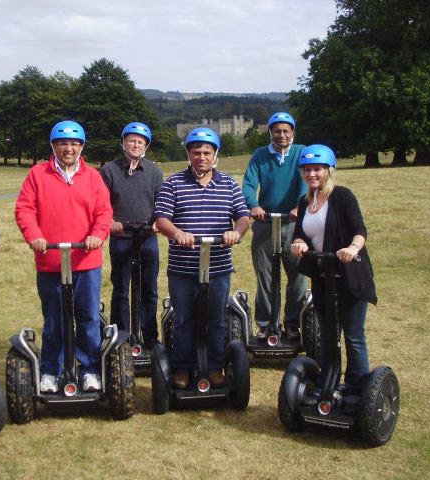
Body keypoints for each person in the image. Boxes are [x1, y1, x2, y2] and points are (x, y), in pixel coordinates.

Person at [15, 120, 112, 393]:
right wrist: (34, 235)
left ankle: (91, 369)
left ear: (81, 147)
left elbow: (104, 212)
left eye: (74, 143)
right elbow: (24, 209)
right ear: (53, 146)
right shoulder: (37, 174)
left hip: (86, 260)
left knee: (88, 317)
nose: (68, 148)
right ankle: (50, 371)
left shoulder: (92, 177)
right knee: (55, 319)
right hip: (51, 261)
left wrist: (97, 235)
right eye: (62, 143)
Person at [154, 127, 250, 389]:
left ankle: (214, 367)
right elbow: (161, 219)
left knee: (215, 319)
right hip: (183, 268)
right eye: (196, 152)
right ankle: (182, 369)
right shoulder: (173, 183)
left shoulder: (229, 184)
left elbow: (243, 216)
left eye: (207, 152)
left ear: (215, 154)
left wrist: (236, 232)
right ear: (188, 153)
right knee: (184, 319)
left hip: (218, 266)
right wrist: (177, 232)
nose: (202, 157)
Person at [290, 144, 377, 392]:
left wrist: (353, 248)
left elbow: (360, 230)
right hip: (323, 278)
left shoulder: (342, 196)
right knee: (327, 334)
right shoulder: (305, 202)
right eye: (307, 170)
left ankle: (357, 388)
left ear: (329, 170)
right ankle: (328, 381)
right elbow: (300, 235)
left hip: (350, 277)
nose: (312, 174)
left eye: (317, 169)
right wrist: (298, 244)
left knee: (353, 335)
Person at [242, 111, 308, 340]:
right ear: (270, 132)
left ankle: (292, 324)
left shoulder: (301, 153)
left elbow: (306, 181)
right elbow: (249, 184)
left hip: (294, 223)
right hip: (266, 221)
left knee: (298, 276)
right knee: (265, 277)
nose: (281, 135)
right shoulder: (260, 155)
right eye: (277, 131)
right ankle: (266, 324)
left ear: (292, 133)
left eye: (286, 131)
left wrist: (300, 206)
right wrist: (253, 205)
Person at [100, 122, 163, 349]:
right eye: (132, 140)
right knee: (121, 287)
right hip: (121, 236)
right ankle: (122, 336)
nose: (136, 145)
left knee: (149, 287)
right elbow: (101, 204)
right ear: (123, 142)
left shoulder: (154, 171)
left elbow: (161, 202)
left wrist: (158, 221)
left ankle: (149, 336)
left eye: (140, 142)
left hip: (147, 237)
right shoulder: (109, 170)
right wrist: (110, 223)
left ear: (145, 146)